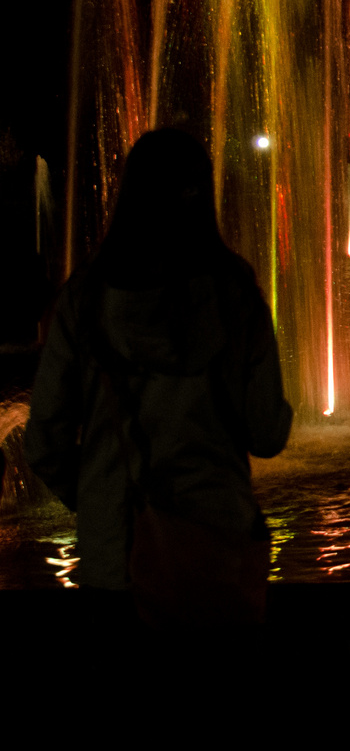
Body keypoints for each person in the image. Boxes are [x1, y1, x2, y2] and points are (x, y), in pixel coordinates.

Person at [25, 128, 292, 624]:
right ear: (201, 197)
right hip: (218, 546)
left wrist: (97, 498)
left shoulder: (82, 299)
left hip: (117, 555)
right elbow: (267, 434)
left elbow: (44, 442)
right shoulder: (236, 295)